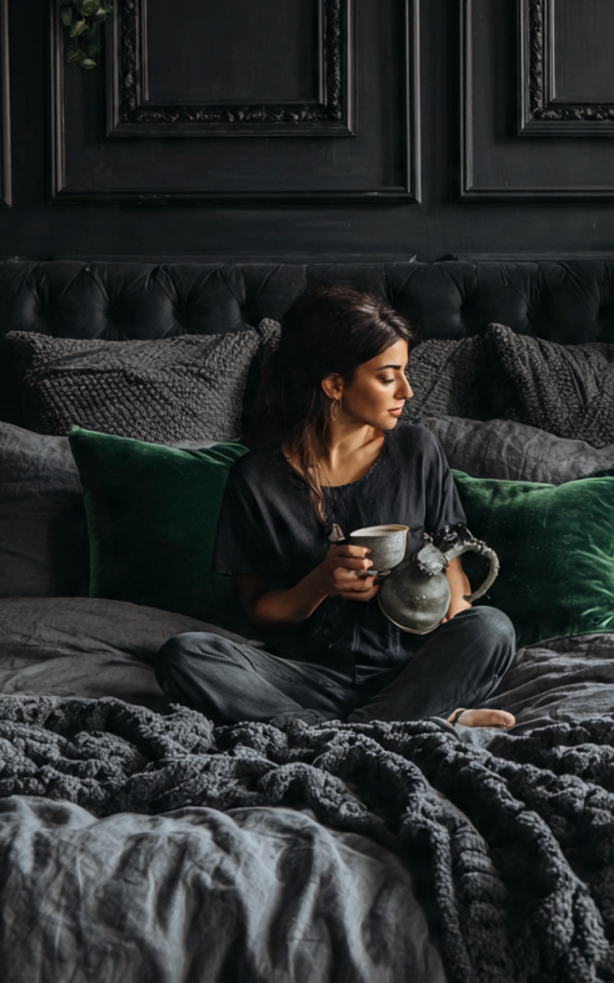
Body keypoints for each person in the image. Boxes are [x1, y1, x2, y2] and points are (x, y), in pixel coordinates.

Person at [155, 283, 516, 729]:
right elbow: (258, 608)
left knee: (492, 628)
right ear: (334, 384)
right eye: (388, 376)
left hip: (411, 669)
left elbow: (454, 570)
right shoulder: (255, 478)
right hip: (306, 676)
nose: (406, 390)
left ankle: (329, 729)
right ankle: (408, 721)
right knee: (185, 656)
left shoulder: (417, 451)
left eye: (404, 373)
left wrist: (451, 623)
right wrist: (321, 581)